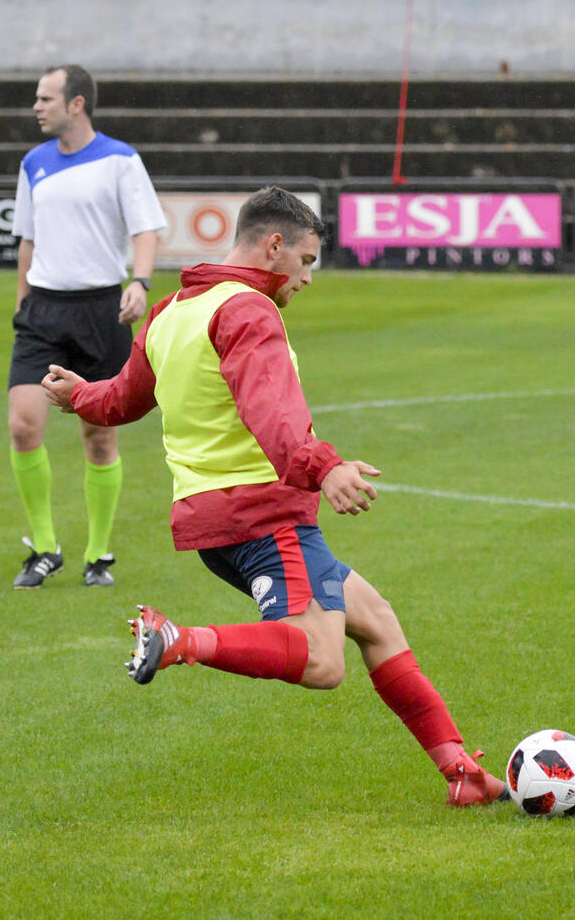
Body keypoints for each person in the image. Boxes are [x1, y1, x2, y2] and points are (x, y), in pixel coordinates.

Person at [39, 186, 508, 808]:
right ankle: (177, 639)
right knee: (323, 661)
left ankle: (460, 771)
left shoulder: (173, 310)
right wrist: (324, 466)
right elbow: (273, 413)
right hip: (262, 515)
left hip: (212, 519)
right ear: (275, 245)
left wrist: (79, 395)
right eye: (306, 261)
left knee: (375, 619)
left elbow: (124, 397)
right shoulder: (248, 311)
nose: (308, 278)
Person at [7, 64, 167, 589]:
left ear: (76, 104)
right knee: (23, 426)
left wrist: (139, 282)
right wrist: (22, 304)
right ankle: (44, 548)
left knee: (98, 436)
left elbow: (146, 230)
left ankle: (98, 555)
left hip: (102, 310)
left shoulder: (120, 160)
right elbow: (28, 241)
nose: (37, 106)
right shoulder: (34, 162)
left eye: (46, 98)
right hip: (43, 311)